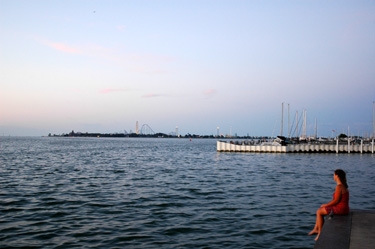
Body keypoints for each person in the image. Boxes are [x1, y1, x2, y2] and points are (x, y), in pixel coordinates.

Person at [308, 169, 349, 241]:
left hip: (341, 209)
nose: (333, 176)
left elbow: (336, 201)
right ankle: (316, 229)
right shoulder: (343, 186)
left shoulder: (339, 187)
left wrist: (326, 205)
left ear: (337, 176)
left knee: (319, 212)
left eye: (334, 175)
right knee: (320, 210)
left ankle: (320, 233)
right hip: (344, 208)